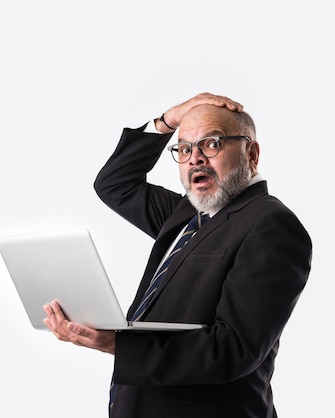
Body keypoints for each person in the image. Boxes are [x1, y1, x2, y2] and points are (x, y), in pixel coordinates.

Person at [43, 92, 312, 418]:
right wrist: (168, 120)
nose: (195, 158)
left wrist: (116, 345)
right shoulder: (187, 215)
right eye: (184, 149)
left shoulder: (270, 225)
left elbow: (233, 349)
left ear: (251, 155)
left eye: (212, 144)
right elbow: (115, 184)